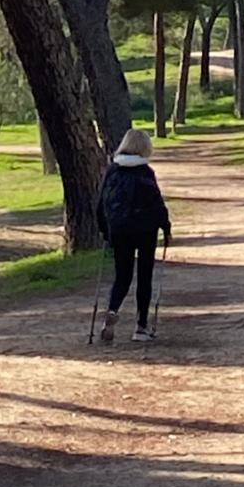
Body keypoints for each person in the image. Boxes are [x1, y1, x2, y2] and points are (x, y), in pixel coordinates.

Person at [97, 126, 171, 343]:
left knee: (122, 276)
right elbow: (156, 203)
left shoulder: (112, 170)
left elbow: (101, 203)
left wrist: (105, 230)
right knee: (144, 277)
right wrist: (166, 227)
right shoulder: (145, 173)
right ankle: (140, 327)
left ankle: (111, 311)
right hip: (145, 230)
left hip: (119, 230)